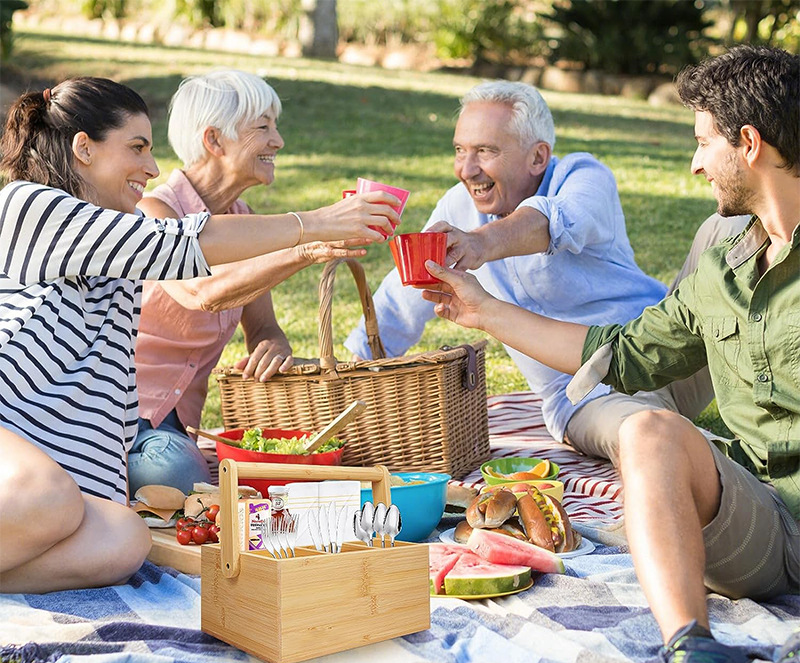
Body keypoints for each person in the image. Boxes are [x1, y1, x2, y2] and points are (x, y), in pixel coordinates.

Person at [418, 45, 800, 663]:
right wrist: (482, 311)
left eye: (702, 143)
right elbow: (618, 354)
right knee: (646, 432)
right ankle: (694, 652)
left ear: (749, 144)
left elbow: (551, 226)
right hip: (765, 519)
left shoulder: (581, 179)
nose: (692, 163)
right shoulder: (722, 261)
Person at [0, 77, 399, 594]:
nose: (152, 166)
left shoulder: (117, 267)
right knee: (49, 496)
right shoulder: (30, 207)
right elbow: (181, 248)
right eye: (137, 148)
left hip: (48, 477)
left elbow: (115, 396)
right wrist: (317, 223)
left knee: (125, 539)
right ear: (84, 148)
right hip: (19, 460)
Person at [345, 80, 747, 465]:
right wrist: (347, 372)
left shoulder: (584, 176)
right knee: (651, 439)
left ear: (538, 156)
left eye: (485, 151)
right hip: (587, 396)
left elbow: (554, 222)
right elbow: (401, 301)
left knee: (730, 227)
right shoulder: (456, 209)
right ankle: (746, 472)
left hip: (671, 349)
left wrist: (481, 242)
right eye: (459, 150)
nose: (467, 169)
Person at [129, 70, 370, 494]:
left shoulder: (243, 219)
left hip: (179, 421)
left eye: (275, 126)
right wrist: (306, 247)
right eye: (263, 127)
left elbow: (262, 327)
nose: (277, 141)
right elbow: (201, 291)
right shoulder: (154, 212)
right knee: (184, 483)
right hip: (126, 412)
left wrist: (272, 344)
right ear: (214, 140)